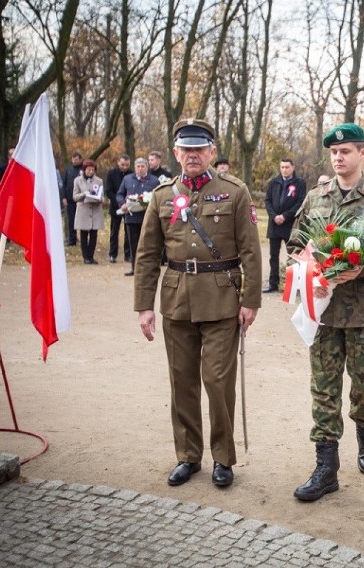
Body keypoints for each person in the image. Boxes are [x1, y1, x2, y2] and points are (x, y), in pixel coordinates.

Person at [135, 118, 262, 488]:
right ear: (176, 153)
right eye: (185, 149)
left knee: (217, 380)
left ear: (211, 152)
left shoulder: (234, 192)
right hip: (176, 300)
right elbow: (146, 255)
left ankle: (223, 458)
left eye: (199, 148)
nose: (192, 155)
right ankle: (188, 456)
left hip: (223, 299)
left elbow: (251, 251)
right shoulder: (161, 196)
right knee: (182, 381)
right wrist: (144, 305)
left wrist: (250, 300)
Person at [289, 123, 364, 502]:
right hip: (323, 310)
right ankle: (326, 467)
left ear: (362, 154)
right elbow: (295, 243)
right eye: (334, 153)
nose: (339, 158)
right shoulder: (316, 197)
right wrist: (313, 271)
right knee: (323, 388)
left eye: (346, 152)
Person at [263, 158, 307, 293]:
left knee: (293, 255)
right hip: (274, 224)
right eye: (282, 167)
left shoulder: (299, 184)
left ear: (293, 167)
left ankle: (293, 285)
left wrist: (285, 216)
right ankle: (273, 283)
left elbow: (300, 203)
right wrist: (274, 216)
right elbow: (267, 200)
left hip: (290, 224)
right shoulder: (274, 182)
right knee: (273, 256)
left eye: (287, 167)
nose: (284, 170)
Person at [118, 157, 159, 276]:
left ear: (147, 167)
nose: (140, 169)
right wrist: (122, 204)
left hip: (148, 217)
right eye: (138, 166)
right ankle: (134, 268)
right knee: (133, 244)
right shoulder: (127, 179)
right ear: (135, 167)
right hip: (131, 218)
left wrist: (150, 204)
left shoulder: (154, 181)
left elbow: (158, 196)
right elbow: (120, 194)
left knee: (148, 244)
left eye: (143, 166)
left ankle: (147, 269)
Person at [72, 159, 105, 264]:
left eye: (92, 170)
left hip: (95, 209)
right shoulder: (78, 180)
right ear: (84, 170)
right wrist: (84, 194)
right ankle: (85, 257)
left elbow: (102, 195)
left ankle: (91, 256)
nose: (91, 172)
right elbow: (75, 196)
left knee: (94, 233)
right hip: (83, 209)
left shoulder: (99, 181)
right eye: (89, 170)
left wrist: (99, 199)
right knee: (84, 234)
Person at [104, 154, 132, 263]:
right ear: (118, 162)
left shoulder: (131, 174)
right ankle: (112, 254)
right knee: (114, 231)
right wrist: (119, 202)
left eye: (127, 165)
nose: (125, 167)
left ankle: (128, 254)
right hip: (116, 206)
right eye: (122, 164)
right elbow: (109, 191)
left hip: (129, 207)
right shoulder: (112, 173)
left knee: (128, 231)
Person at [61, 152, 83, 246]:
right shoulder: (68, 170)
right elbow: (64, 184)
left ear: (80, 159)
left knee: (82, 220)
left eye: (76, 159)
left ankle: (83, 238)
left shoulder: (83, 169)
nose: (74, 161)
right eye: (73, 159)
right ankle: (72, 239)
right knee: (71, 220)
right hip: (70, 199)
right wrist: (64, 197)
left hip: (81, 200)